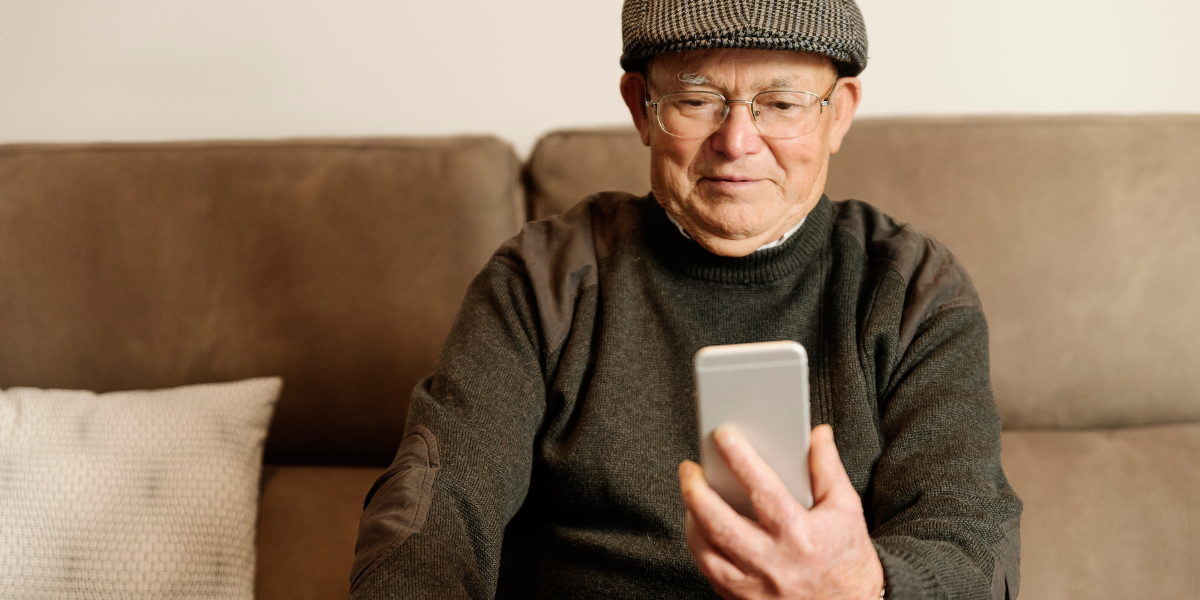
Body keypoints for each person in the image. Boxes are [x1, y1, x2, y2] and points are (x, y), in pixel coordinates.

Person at [349, 1, 1022, 598]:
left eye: (782, 104)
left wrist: (860, 587)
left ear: (837, 114)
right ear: (640, 106)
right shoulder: (541, 279)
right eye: (696, 100)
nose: (737, 142)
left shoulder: (911, 288)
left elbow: (969, 542)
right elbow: (438, 504)